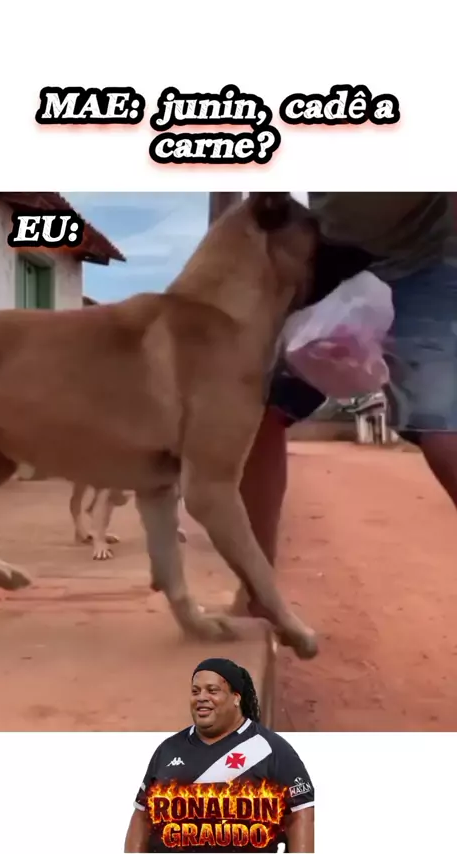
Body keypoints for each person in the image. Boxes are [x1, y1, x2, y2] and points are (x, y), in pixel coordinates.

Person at [233, 192, 457, 616]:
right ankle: (257, 596)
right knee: (259, 407)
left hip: (425, 259)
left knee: (443, 424)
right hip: (330, 253)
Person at [124, 658, 314, 852]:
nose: (201, 697)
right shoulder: (168, 750)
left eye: (212, 691)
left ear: (236, 698)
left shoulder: (270, 749)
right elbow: (142, 818)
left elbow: (300, 815)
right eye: (195, 691)